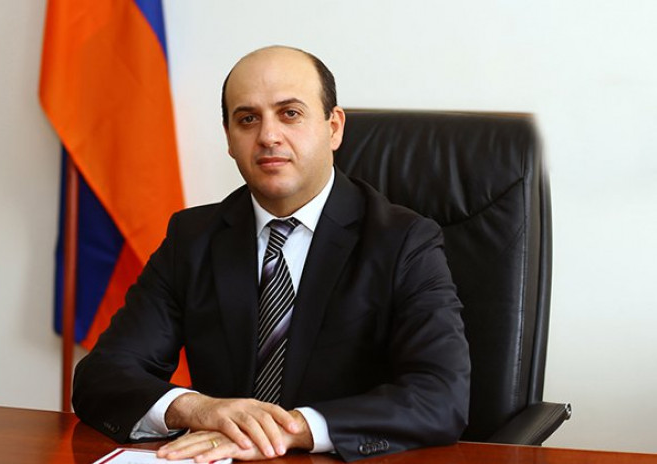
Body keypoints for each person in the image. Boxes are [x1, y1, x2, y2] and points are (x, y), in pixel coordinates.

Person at [72, 45, 470, 462]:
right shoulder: (192, 239)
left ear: (334, 127)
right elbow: (101, 377)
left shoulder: (404, 241)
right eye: (247, 119)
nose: (268, 136)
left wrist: (289, 430)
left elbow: (440, 396)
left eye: (290, 113)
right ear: (229, 138)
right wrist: (198, 409)